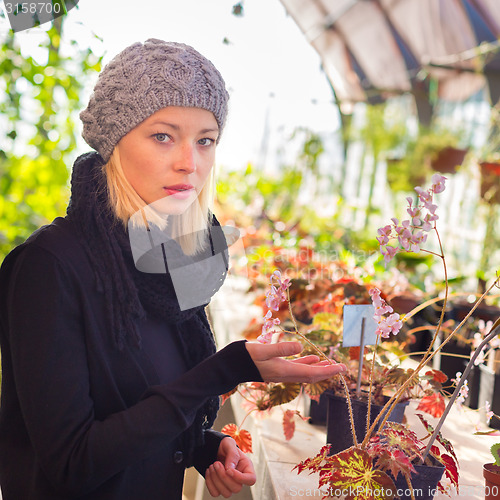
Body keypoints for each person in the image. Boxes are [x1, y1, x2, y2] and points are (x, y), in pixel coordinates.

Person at [0, 39, 346, 500]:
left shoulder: (172, 263)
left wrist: (203, 447)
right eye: (163, 135)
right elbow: (71, 463)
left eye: (206, 140)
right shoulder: (50, 268)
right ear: (114, 140)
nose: (191, 162)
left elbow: (134, 410)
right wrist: (220, 372)